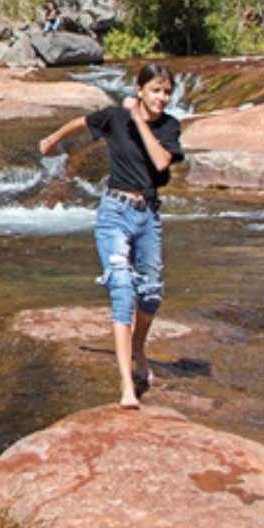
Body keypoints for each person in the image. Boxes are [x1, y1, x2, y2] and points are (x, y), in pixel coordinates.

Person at [36, 63, 186, 411]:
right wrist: (54, 138)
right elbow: (84, 121)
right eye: (155, 90)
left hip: (148, 215)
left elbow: (161, 162)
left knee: (150, 295)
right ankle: (126, 386)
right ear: (139, 90)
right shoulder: (114, 117)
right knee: (121, 289)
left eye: (166, 91)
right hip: (114, 213)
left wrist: (137, 120)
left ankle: (138, 347)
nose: (162, 98)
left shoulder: (169, 126)